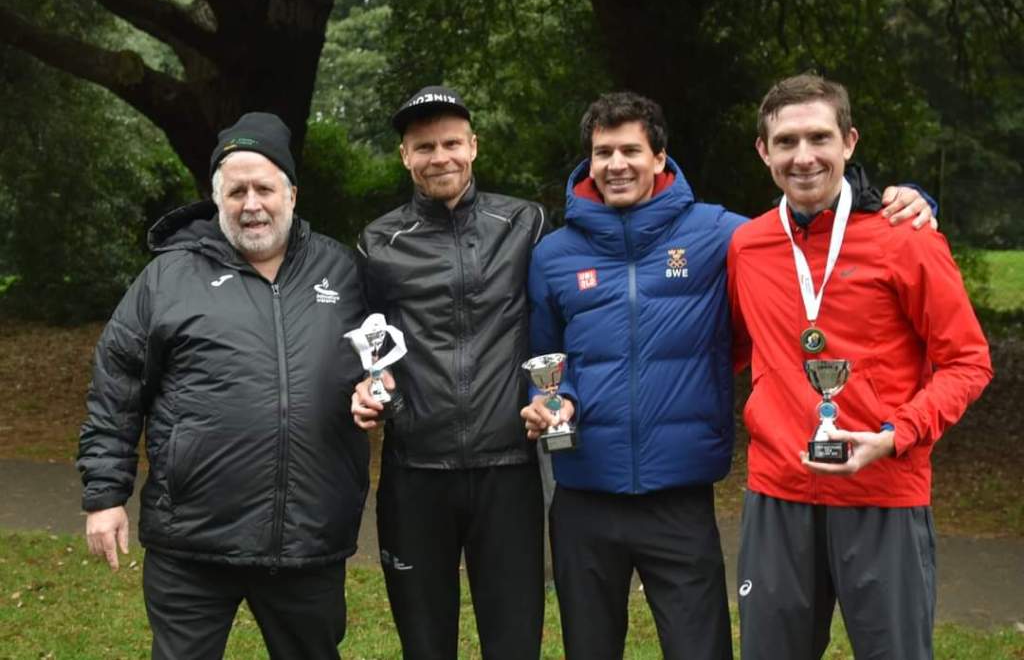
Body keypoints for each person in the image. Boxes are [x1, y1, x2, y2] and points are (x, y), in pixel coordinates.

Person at [521, 91, 935, 660]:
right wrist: (553, 398)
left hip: (680, 495)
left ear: (659, 157)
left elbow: (807, 225)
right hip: (583, 493)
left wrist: (909, 199)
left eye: (631, 150)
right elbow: (545, 354)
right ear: (588, 161)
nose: (616, 164)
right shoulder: (553, 254)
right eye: (603, 152)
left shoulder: (720, 234)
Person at [77, 112, 369, 660]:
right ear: (217, 200)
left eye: (264, 188)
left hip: (306, 538)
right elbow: (116, 384)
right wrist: (105, 496)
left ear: (292, 194)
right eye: (236, 191)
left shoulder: (341, 271)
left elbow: (383, 360)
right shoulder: (168, 277)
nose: (251, 204)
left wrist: (381, 391)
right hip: (191, 541)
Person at [728, 74, 993, 659]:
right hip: (779, 493)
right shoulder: (747, 246)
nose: (803, 157)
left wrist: (897, 434)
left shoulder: (907, 238)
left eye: (819, 138)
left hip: (883, 492)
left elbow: (968, 361)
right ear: (763, 151)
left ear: (849, 142)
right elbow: (728, 350)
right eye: (786, 141)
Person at [352, 86, 547, 659]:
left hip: (507, 469)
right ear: (405, 156)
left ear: (473, 146)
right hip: (416, 472)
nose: (440, 157)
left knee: (514, 645)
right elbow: (359, 340)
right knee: (425, 645)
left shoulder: (524, 223)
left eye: (451, 143)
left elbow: (559, 316)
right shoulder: (378, 242)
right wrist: (362, 386)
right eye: (424, 147)